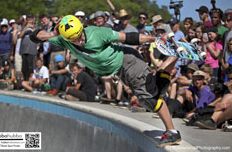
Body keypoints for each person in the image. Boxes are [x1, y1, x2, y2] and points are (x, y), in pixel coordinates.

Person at [30, 15, 181, 147]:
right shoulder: (65, 39)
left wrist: (156, 39)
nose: (79, 41)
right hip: (121, 72)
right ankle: (174, 57)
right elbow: (34, 36)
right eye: (74, 40)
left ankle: (172, 132)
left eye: (80, 36)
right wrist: (52, 34)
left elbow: (131, 38)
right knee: (156, 91)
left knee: (149, 98)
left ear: (82, 28)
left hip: (128, 61)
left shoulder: (98, 33)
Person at [19, 15, 38, 81]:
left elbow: (37, 36)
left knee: (31, 68)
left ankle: (30, 82)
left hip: (32, 51)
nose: (30, 21)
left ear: (34, 19)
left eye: (31, 19)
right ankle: (25, 81)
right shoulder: (24, 27)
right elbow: (20, 36)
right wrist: (26, 27)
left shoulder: (36, 27)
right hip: (24, 50)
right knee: (24, 68)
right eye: (28, 19)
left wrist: (33, 28)